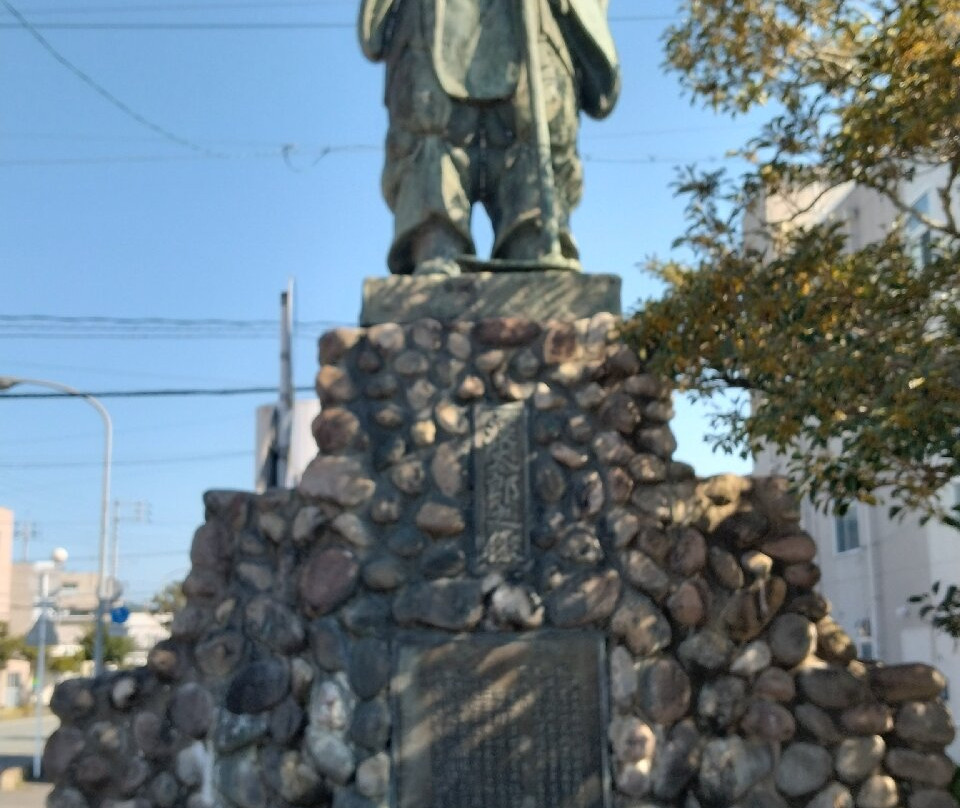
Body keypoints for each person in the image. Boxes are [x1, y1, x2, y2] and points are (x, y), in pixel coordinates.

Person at [359, 0, 620, 275]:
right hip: (430, 21)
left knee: (536, 120)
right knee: (428, 123)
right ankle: (435, 238)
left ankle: (534, 234)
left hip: (535, 24)